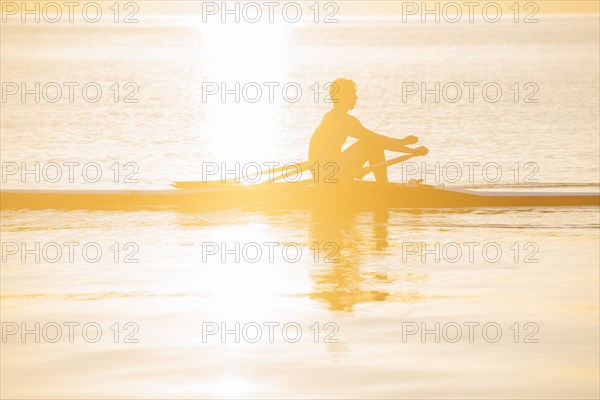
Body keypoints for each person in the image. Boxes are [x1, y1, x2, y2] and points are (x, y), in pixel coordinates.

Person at [308, 78, 427, 184]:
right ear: (343, 96)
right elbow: (377, 140)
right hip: (327, 173)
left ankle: (381, 186)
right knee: (372, 144)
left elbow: (376, 139)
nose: (356, 97)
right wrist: (411, 151)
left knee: (372, 143)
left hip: (323, 171)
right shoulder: (345, 121)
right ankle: (384, 188)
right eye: (352, 94)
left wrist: (402, 141)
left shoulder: (330, 116)